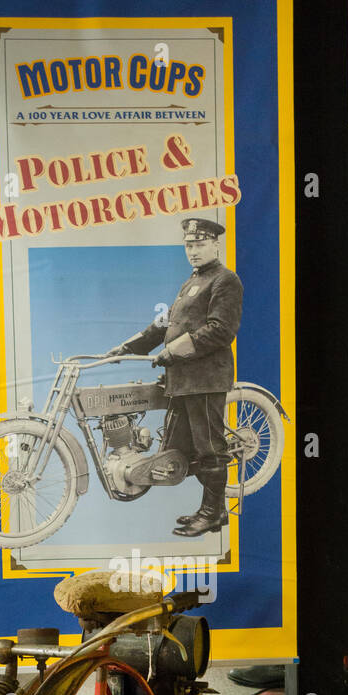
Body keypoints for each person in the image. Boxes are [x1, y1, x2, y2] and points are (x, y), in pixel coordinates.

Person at [108, 216, 243, 537]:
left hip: (205, 378)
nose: (194, 251)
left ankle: (212, 513)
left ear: (216, 244)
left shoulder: (226, 281)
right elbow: (165, 324)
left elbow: (221, 330)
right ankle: (211, 509)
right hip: (181, 380)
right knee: (184, 445)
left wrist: (171, 352)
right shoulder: (191, 282)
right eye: (189, 245)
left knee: (210, 447)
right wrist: (127, 346)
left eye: (200, 244)